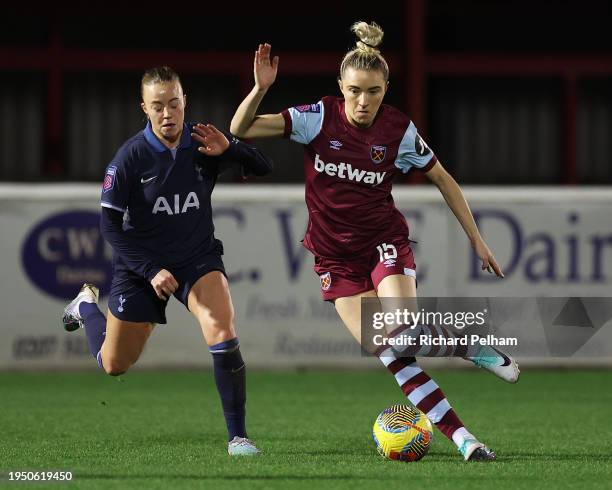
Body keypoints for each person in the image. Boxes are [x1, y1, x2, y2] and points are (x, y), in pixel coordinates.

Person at [224, 21, 520, 461]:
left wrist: (477, 240)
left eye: (375, 91)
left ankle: (467, 374)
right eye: (355, 90)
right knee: (393, 353)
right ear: (341, 86)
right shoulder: (317, 118)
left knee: (401, 330)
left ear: (386, 88)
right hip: (334, 260)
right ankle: (466, 437)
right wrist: (261, 88)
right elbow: (241, 128)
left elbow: (443, 178)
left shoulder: (398, 131)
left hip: (383, 243)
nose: (364, 101)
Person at [62, 66, 272, 456]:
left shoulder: (203, 141)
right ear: (144, 107)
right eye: (157, 105)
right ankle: (86, 306)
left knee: (222, 330)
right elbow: (109, 228)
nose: (167, 113)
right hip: (143, 268)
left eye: (174, 103)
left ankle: (238, 437)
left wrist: (232, 149)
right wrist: (149, 269)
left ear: (184, 101)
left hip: (197, 257)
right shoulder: (130, 158)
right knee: (114, 365)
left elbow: (263, 165)